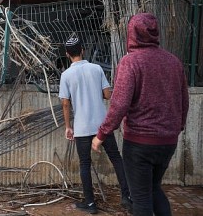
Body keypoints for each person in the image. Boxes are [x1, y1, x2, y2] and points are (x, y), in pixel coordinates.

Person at [92, 13, 189, 216]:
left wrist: (102, 134)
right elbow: (183, 101)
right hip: (168, 141)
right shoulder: (174, 62)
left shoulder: (130, 62)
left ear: (132, 33)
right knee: (153, 189)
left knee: (141, 198)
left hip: (139, 143)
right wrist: (176, 128)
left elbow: (119, 104)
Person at [59, 35, 132, 214]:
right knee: (116, 158)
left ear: (68, 54)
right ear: (83, 50)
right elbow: (107, 95)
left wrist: (68, 126)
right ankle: (127, 197)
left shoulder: (66, 75)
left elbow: (65, 103)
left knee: (85, 164)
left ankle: (90, 204)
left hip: (82, 128)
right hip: (102, 125)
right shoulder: (97, 68)